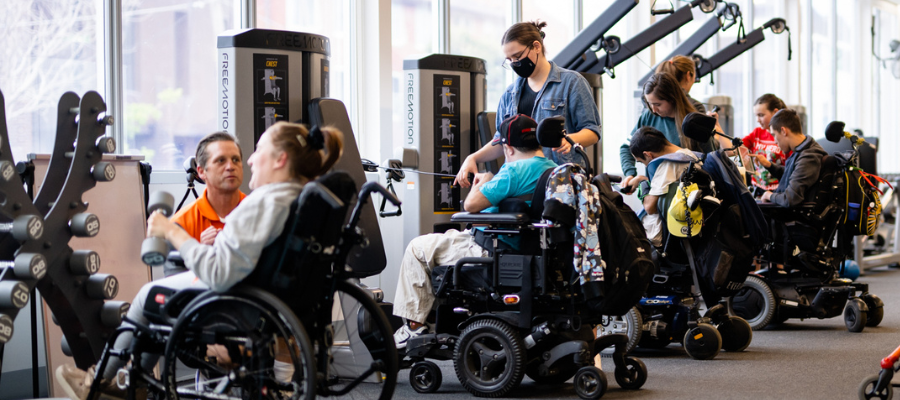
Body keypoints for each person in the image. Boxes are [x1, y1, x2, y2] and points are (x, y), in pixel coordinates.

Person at [56, 122, 344, 400]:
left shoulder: (261, 202)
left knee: (148, 295)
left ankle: (97, 383)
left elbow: (220, 274)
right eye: (222, 160)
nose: (251, 160)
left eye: (256, 151)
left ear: (280, 159)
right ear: (201, 171)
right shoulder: (295, 197)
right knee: (158, 307)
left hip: (238, 301)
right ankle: (127, 383)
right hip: (268, 298)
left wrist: (172, 232)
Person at [393, 114, 557, 348]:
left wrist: (484, 180)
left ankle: (414, 329)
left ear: (507, 148)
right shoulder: (553, 168)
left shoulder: (513, 172)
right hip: (524, 248)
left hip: (489, 246)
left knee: (417, 248)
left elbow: (470, 206)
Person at [455, 21, 600, 187]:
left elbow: (592, 131)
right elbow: (501, 141)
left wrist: (570, 140)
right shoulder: (509, 94)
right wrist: (472, 157)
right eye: (509, 60)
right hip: (521, 183)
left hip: (560, 182)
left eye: (517, 57)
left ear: (536, 46)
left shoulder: (572, 83)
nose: (515, 63)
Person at [620, 72, 722, 194]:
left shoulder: (694, 123)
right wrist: (630, 174)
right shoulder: (648, 116)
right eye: (649, 104)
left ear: (672, 99)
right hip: (657, 197)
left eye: (657, 104)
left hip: (686, 199)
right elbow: (626, 147)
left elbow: (712, 165)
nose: (653, 109)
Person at [629, 127, 700, 247]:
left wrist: (643, 185)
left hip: (662, 238)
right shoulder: (691, 156)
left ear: (648, 154)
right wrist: (642, 178)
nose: (645, 166)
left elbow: (650, 207)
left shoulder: (669, 164)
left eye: (641, 161)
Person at [172, 132, 246, 245]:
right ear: (201, 172)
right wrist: (200, 250)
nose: (230, 167)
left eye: (235, 160)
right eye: (221, 160)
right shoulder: (181, 224)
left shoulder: (261, 213)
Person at [758, 108, 826, 208]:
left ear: (783, 131)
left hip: (788, 216)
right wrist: (769, 165)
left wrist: (769, 195)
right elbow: (791, 175)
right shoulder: (801, 150)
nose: (775, 141)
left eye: (774, 135)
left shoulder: (809, 157)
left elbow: (791, 199)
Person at [740, 94, 789, 192]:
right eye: (756, 116)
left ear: (775, 113)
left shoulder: (785, 136)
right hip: (757, 190)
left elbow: (790, 171)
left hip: (778, 192)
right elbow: (733, 150)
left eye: (761, 115)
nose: (758, 120)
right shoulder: (757, 133)